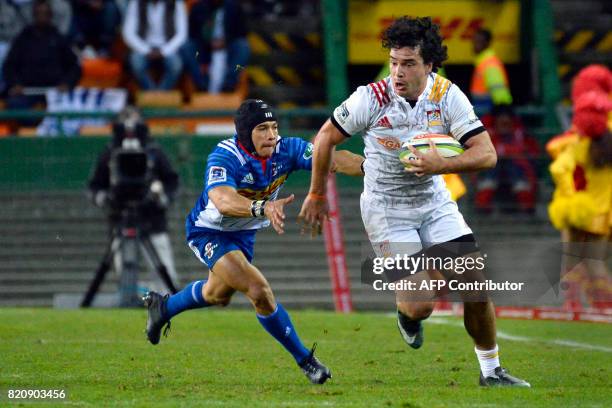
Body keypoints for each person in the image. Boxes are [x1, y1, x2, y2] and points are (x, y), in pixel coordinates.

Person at [299, 16, 530, 387]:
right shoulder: (371, 98)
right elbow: (325, 139)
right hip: (387, 210)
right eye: (393, 62)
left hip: (434, 202)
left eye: (408, 63)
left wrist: (442, 164)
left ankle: (492, 372)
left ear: (429, 65)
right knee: (420, 305)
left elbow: (487, 154)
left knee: (476, 284)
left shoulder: (448, 95)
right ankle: (407, 315)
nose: (397, 72)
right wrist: (316, 193)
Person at [143, 99, 364, 384]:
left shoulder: (287, 149)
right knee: (258, 290)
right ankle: (306, 360)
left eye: (273, 127)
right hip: (209, 231)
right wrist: (263, 207)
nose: (271, 135)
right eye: (262, 128)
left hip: (243, 233)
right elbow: (222, 200)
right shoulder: (225, 155)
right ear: (245, 134)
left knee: (216, 295)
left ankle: (163, 307)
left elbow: (331, 157)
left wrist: (370, 166)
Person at [88, 106, 180, 292]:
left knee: (164, 273)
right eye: (125, 120)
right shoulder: (110, 152)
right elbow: (95, 185)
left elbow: (172, 181)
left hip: (152, 219)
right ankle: (129, 302)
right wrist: (103, 198)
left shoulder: (153, 151)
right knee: (124, 274)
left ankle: (168, 305)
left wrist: (161, 196)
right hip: (120, 218)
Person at [548, 91, 612, 311]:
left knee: (570, 260)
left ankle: (573, 305)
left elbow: (558, 166)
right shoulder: (608, 141)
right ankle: (603, 307)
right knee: (596, 262)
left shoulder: (578, 144)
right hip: (605, 213)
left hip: (579, 209)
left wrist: (568, 194)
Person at [2, 0, 80, 110]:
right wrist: (15, 84)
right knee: (14, 105)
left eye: (45, 13)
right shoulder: (23, 38)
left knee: (68, 106)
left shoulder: (58, 38)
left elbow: (74, 66)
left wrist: (66, 83)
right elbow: (9, 65)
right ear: (34, 15)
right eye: (39, 13)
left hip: (54, 92)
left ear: (50, 16)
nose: (42, 16)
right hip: (27, 92)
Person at [475, 105, 539, 213]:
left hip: (516, 171)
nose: (504, 126)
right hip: (491, 171)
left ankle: (526, 205)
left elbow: (533, 154)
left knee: (513, 166)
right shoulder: (486, 134)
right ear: (495, 122)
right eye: (501, 122)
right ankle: (483, 204)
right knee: (493, 165)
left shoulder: (521, 135)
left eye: (507, 123)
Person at [182, 0, 250, 92]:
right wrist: (209, 41)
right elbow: (192, 33)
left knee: (243, 46)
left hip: (228, 46)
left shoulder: (234, 7)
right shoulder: (199, 7)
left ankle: (229, 83)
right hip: (204, 47)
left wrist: (225, 41)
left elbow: (242, 31)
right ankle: (201, 83)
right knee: (188, 47)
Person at [122, 0, 187, 90]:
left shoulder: (176, 3)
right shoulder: (136, 2)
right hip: (144, 47)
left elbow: (182, 34)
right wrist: (146, 50)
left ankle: (160, 94)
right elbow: (128, 33)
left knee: (176, 65)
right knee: (136, 63)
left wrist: (164, 51)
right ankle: (152, 92)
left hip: (168, 47)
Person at [470, 28, 512, 115]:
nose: (474, 45)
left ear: (486, 43)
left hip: (489, 110)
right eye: (474, 41)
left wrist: (502, 111)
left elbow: (499, 91)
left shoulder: (489, 63)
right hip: (483, 108)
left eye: (478, 42)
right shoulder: (482, 62)